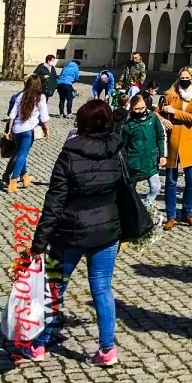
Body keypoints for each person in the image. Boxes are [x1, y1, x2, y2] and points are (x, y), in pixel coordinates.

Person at [28, 99, 126, 366]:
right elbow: (124, 190)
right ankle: (107, 349)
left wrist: (39, 242)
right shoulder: (117, 150)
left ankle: (38, 343)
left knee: (54, 287)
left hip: (69, 231)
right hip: (106, 229)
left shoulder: (69, 153)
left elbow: (54, 200)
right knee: (103, 288)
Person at [160, 67, 192, 229]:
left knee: (191, 181)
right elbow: (158, 111)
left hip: (190, 140)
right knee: (171, 181)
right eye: (182, 77)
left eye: (187, 77)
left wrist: (175, 112)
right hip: (173, 141)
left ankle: (187, 212)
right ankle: (171, 216)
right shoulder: (172, 93)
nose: (185, 80)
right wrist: (163, 118)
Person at [5, 76, 50, 193]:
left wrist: (9, 130)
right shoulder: (40, 98)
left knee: (20, 152)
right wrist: (47, 129)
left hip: (16, 130)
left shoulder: (20, 96)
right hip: (28, 130)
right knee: (22, 155)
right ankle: (13, 181)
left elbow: (12, 115)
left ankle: (24, 177)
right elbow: (44, 116)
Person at [120, 92, 166, 205]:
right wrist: (124, 164)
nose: (141, 111)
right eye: (137, 109)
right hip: (134, 162)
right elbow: (123, 147)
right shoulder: (127, 126)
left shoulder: (153, 118)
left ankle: (147, 205)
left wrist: (162, 155)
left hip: (150, 160)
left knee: (156, 186)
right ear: (131, 108)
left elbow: (161, 136)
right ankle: (133, 210)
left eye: (143, 108)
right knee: (130, 191)